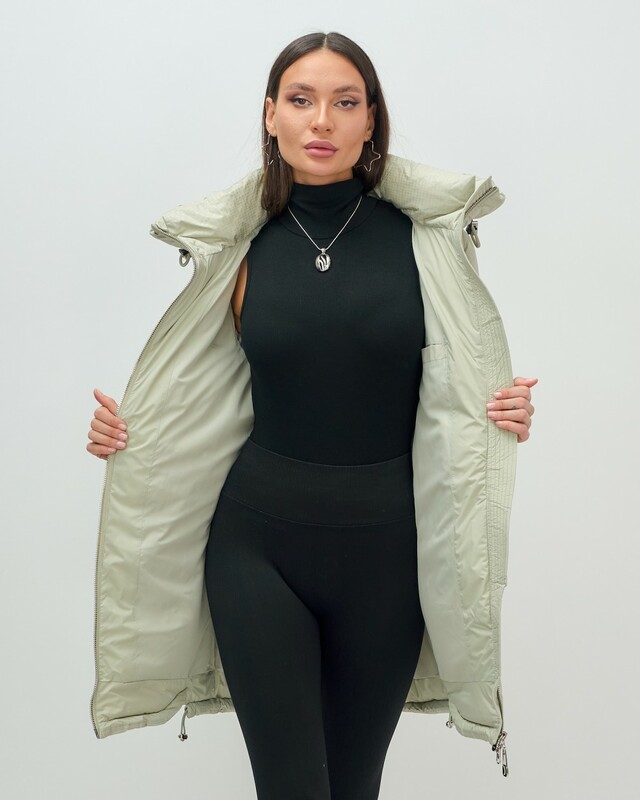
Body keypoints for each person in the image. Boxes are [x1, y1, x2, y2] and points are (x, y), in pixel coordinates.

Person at [87, 31, 537, 799]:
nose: (321, 120)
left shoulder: (425, 243)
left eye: (344, 102)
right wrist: (131, 432)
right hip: (256, 550)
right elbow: (199, 390)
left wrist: (502, 409)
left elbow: (459, 385)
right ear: (271, 115)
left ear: (371, 120)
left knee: (354, 789)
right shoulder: (238, 247)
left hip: (388, 561)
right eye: (301, 100)